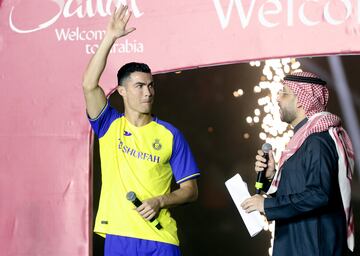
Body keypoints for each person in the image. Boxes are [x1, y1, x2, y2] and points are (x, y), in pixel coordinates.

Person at [82, 6, 200, 256]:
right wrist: (110, 38)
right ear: (121, 91)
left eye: (150, 85)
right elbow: (89, 85)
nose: (148, 92)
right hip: (120, 236)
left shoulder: (170, 135)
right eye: (139, 86)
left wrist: (160, 201)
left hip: (162, 237)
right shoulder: (108, 125)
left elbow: (191, 191)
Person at [241, 71, 354, 255]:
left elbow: (319, 194)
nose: (277, 98)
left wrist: (266, 205)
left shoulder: (318, 140)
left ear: (302, 100)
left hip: (314, 248)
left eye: (283, 92)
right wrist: (271, 177)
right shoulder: (302, 141)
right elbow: (299, 192)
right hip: (297, 245)